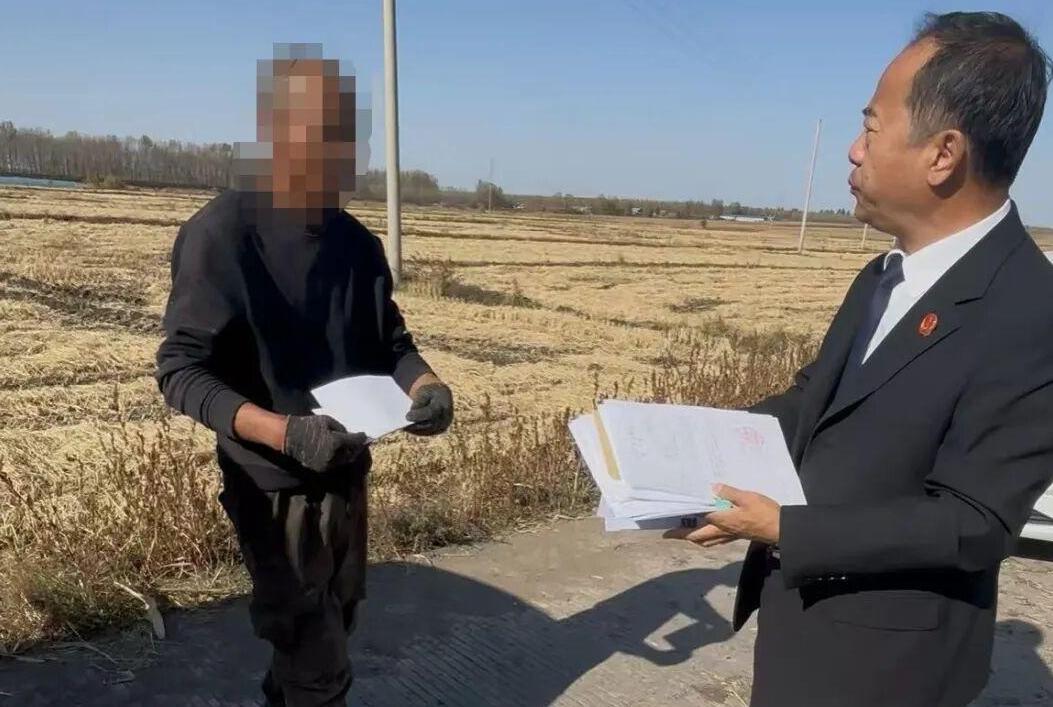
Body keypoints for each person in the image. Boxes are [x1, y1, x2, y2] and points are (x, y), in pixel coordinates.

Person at [666, 12, 1053, 707]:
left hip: (890, 665)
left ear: (943, 154)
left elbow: (973, 520)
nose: (852, 150)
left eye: (871, 128)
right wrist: (696, 445)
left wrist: (784, 528)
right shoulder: (886, 274)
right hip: (802, 625)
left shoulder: (1031, 310)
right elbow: (814, 398)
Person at [155, 44, 453, 707]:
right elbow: (181, 371)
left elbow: (392, 344)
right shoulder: (223, 235)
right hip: (272, 486)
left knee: (335, 623)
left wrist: (426, 386)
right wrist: (285, 433)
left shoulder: (358, 246)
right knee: (316, 658)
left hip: (347, 472)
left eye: (344, 132)